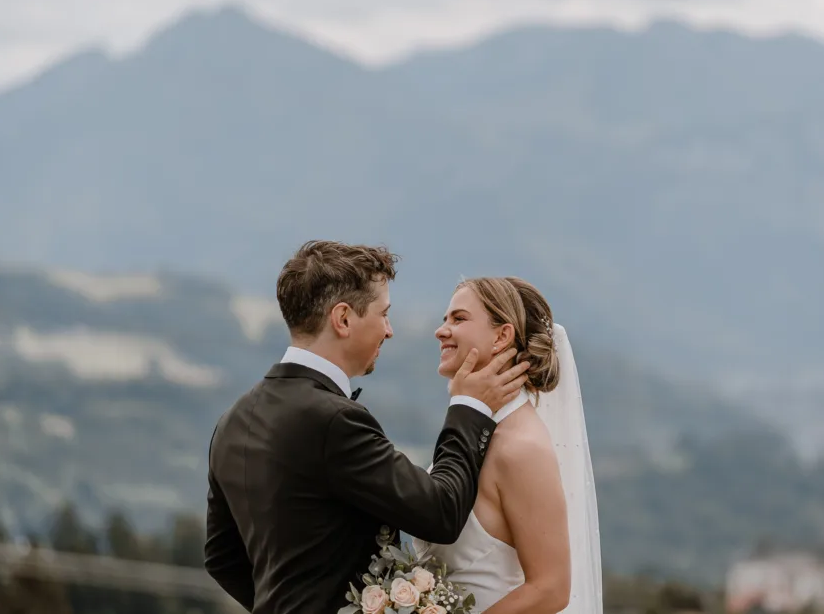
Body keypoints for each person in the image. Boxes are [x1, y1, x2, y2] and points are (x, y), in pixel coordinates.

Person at [204, 241, 530, 614]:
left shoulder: (231, 421)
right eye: (383, 313)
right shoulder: (334, 420)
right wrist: (470, 407)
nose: (389, 330)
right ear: (343, 319)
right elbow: (440, 512)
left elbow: (221, 559)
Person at [415, 277, 602, 614]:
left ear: (501, 336)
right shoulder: (479, 433)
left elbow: (551, 588)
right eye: (445, 320)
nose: (441, 331)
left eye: (458, 319)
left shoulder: (520, 447)